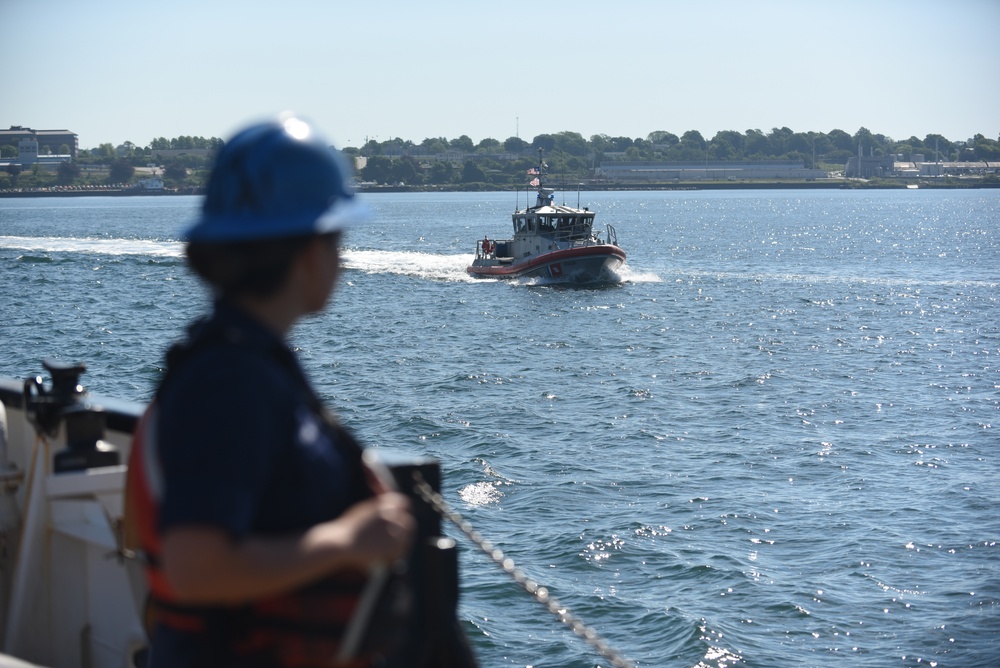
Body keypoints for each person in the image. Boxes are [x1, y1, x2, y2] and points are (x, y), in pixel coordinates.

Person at [126, 115, 415, 668]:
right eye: (337, 240)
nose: (343, 260)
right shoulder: (231, 382)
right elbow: (198, 568)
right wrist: (348, 541)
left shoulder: (246, 362)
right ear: (307, 252)